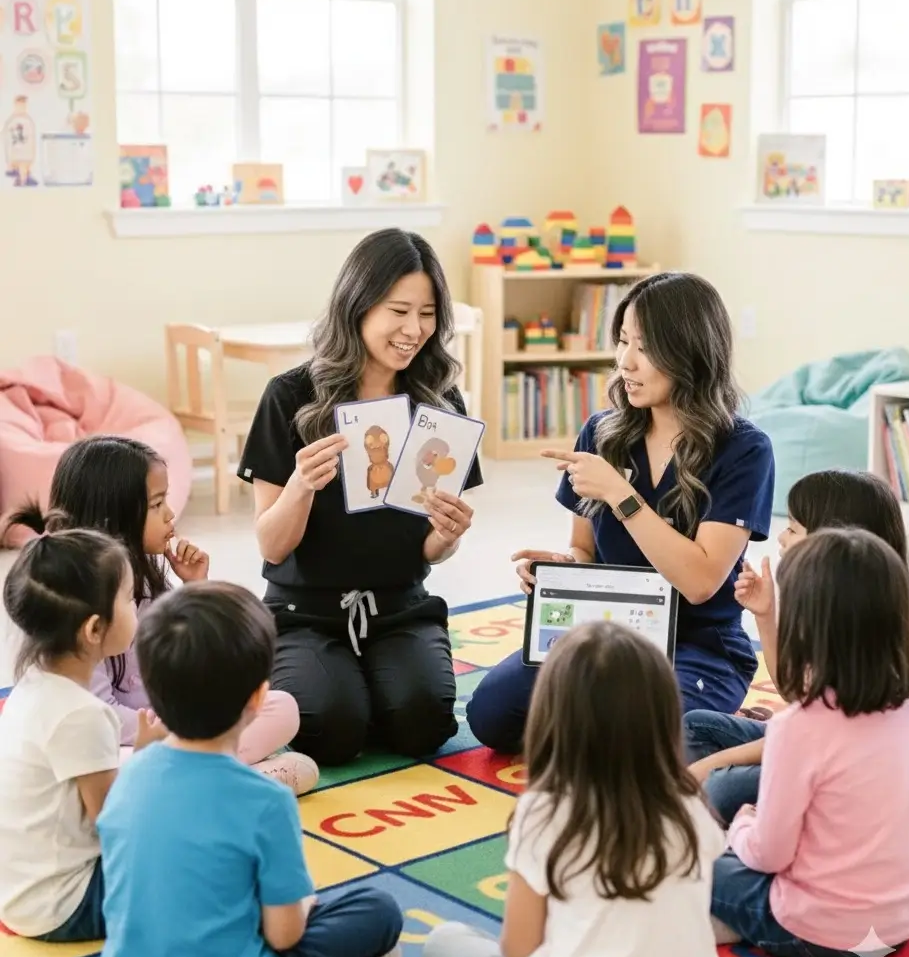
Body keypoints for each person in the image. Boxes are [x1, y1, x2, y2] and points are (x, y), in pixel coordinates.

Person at [467, 271, 774, 753]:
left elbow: (700, 582)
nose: (625, 362)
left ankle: (732, 730)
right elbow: (583, 548)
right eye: (623, 342)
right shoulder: (601, 433)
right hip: (605, 629)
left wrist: (623, 498)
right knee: (490, 713)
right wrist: (561, 570)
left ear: (689, 351)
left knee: (644, 737)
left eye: (645, 347)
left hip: (696, 646)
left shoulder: (744, 449)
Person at [238, 228, 482, 765]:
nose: (414, 330)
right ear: (358, 304)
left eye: (428, 313)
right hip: (304, 612)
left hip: (401, 607)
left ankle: (366, 688)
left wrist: (446, 536)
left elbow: (430, 552)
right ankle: (327, 686)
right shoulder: (290, 396)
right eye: (399, 310)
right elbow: (273, 548)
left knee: (424, 726)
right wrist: (301, 485)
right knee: (332, 732)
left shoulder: (442, 400)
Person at [98, 580, 404, 957]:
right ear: (260, 697)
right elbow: (284, 935)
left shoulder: (128, 777)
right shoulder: (265, 801)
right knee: (379, 909)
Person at [423, 622, 727, 957]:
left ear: (551, 719)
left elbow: (520, 949)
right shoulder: (690, 804)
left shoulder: (544, 812)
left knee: (445, 943)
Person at [5, 436, 317, 796]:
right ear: (115, 516)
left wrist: (194, 589)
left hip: (174, 728)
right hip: (125, 741)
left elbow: (197, 664)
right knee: (116, 771)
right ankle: (227, 782)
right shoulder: (80, 606)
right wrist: (174, 730)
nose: (170, 513)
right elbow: (99, 716)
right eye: (156, 504)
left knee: (280, 707)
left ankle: (203, 778)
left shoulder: (148, 580)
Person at [711, 528, 909, 957]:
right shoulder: (908, 712)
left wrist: (743, 826)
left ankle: (733, 924)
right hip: (902, 923)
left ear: (805, 627)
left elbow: (770, 853)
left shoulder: (799, 727)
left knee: (701, 866)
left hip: (823, 930)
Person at [684, 468, 909, 825]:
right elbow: (799, 696)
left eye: (794, 528)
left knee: (720, 786)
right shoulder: (834, 611)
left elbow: (801, 736)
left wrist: (710, 765)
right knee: (697, 726)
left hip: (843, 776)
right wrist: (767, 615)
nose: (781, 537)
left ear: (834, 542)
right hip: (813, 746)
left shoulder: (863, 643)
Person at [0, 529, 161, 941]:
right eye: (128, 599)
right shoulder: (83, 715)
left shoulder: (33, 685)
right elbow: (116, 827)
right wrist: (145, 758)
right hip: (65, 902)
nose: (136, 610)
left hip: (22, 890)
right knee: (205, 855)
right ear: (93, 629)